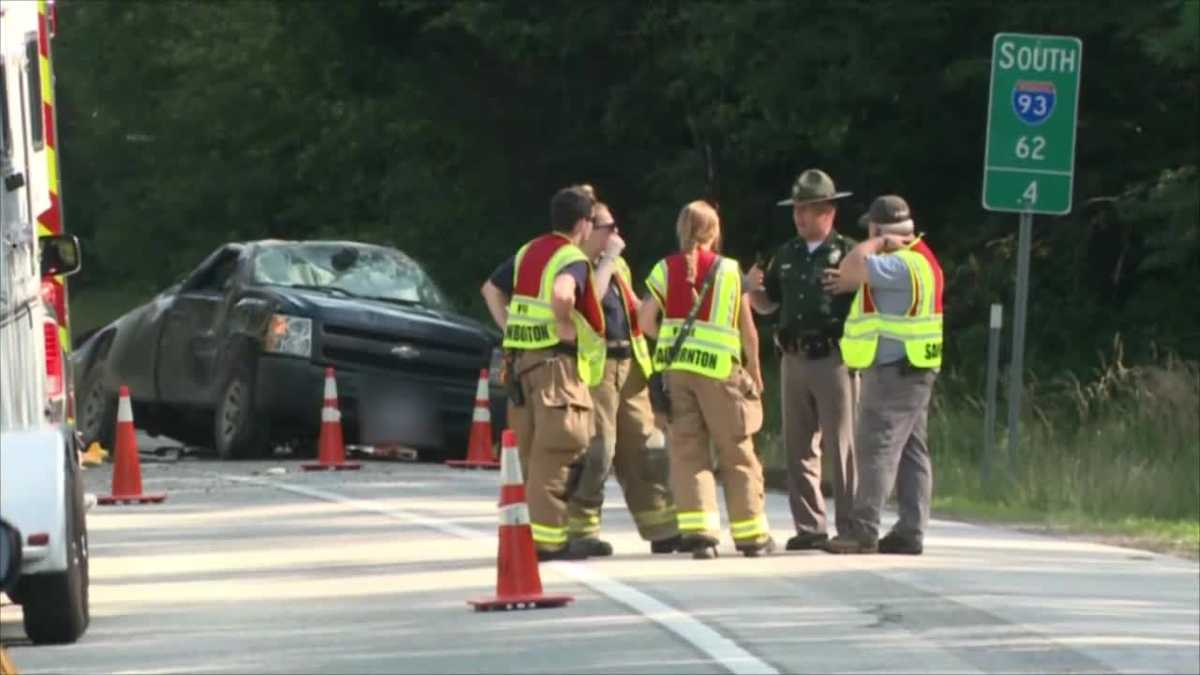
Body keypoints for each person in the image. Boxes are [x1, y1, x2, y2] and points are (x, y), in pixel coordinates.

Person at [637, 200, 773, 559]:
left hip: (677, 374)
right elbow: (748, 330)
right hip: (721, 374)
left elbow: (645, 321)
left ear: (682, 230)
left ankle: (699, 533)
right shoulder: (730, 271)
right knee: (737, 451)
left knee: (687, 452)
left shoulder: (665, 269)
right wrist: (755, 368)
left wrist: (668, 339)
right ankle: (751, 536)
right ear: (714, 232)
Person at [480, 186, 607, 561]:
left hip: (521, 366)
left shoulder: (527, 251)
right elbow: (564, 294)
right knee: (558, 449)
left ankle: (527, 533)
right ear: (584, 224)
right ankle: (548, 540)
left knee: (531, 452)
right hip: (555, 367)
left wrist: (508, 327)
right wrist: (563, 322)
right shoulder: (572, 258)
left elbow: (490, 289)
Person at [823, 195, 944, 555]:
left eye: (871, 230)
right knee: (911, 451)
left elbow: (852, 267)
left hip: (895, 372)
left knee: (875, 446)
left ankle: (863, 530)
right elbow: (855, 278)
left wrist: (876, 243)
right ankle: (910, 530)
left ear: (880, 229)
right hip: (915, 368)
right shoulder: (922, 259)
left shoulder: (899, 263)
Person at [745, 168, 858, 551]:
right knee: (799, 446)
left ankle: (851, 526)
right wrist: (753, 291)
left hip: (834, 357)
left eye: (808, 209)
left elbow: (866, 302)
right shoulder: (786, 253)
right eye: (797, 209)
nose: (800, 217)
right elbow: (768, 303)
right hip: (793, 357)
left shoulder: (848, 252)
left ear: (829, 210)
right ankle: (809, 527)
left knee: (842, 447)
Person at [563, 192, 682, 556]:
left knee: (644, 449)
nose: (615, 233)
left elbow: (631, 308)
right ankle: (580, 531)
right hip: (596, 370)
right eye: (608, 227)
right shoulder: (576, 264)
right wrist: (609, 259)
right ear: (588, 230)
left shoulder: (619, 264)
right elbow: (589, 306)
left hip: (630, 366)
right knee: (599, 449)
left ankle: (661, 529)